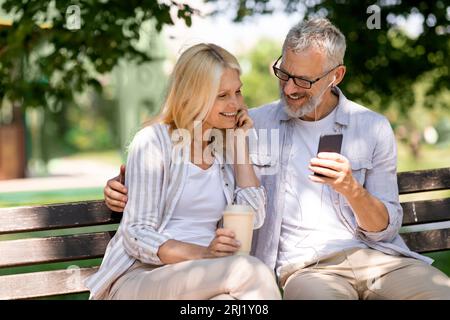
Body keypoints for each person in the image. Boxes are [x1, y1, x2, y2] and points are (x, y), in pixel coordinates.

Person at [103, 19, 450, 300]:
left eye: (303, 80)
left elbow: (384, 226)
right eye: (283, 74)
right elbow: (141, 223)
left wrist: (352, 190)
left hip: (379, 260)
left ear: (336, 76)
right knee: (248, 274)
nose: (288, 89)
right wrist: (122, 187)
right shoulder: (242, 126)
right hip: (301, 269)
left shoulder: (370, 128)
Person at [86, 43, 282, 300]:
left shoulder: (223, 148)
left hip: (204, 277)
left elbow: (253, 218)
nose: (235, 103)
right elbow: (136, 234)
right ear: (193, 95)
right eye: (222, 95)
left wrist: (239, 145)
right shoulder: (153, 142)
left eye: (238, 92)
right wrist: (204, 254)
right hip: (142, 277)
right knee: (249, 271)